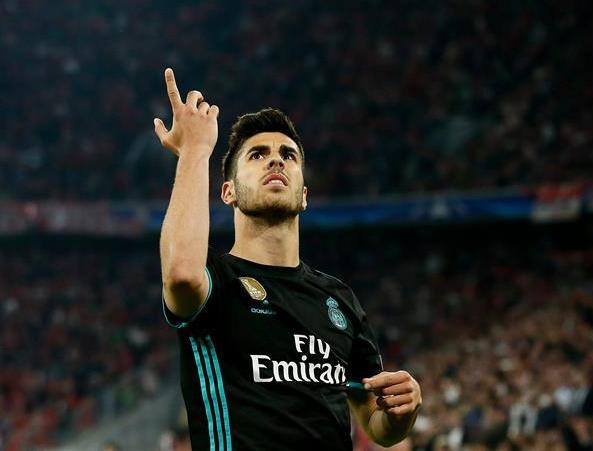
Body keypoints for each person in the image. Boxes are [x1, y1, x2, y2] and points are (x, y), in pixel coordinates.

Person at [153, 68, 422, 450]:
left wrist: (401, 412)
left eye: (288, 155)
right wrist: (195, 150)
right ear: (228, 192)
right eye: (257, 155)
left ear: (304, 195)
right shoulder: (215, 280)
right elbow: (180, 274)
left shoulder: (338, 298)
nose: (275, 161)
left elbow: (376, 425)